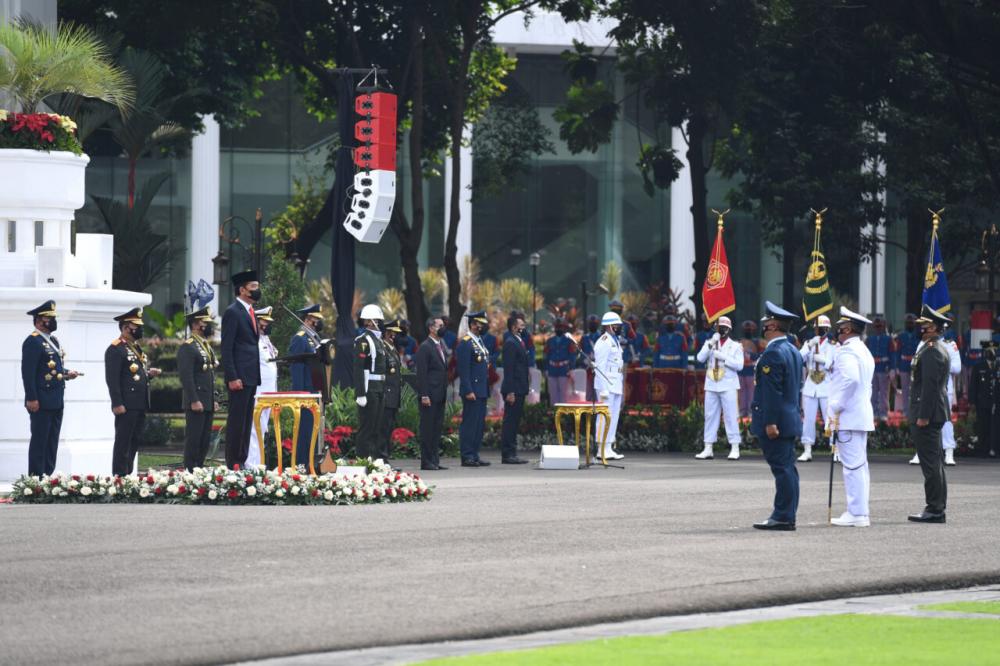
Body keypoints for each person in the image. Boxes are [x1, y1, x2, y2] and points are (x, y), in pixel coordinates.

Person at [750, 301, 803, 531]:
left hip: (777, 422)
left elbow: (772, 392)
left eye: (765, 323)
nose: (763, 327)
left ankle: (782, 516)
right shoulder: (792, 350)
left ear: (772, 325)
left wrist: (770, 422)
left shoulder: (773, 353)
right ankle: (786, 514)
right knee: (788, 469)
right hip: (789, 418)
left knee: (782, 470)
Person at [827, 307, 875, 527]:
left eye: (840, 328)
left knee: (852, 467)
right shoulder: (863, 350)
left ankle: (856, 513)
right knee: (859, 466)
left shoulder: (847, 351)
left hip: (848, 415)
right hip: (859, 414)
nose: (837, 332)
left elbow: (852, 380)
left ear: (847, 329)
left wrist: (836, 405)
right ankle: (860, 511)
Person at [22, 300, 79, 476]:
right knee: (40, 440)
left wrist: (68, 373)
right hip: (41, 400)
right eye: (50, 318)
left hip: (56, 398)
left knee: (52, 441)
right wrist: (31, 398)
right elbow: (28, 373)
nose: (53, 321)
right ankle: (35, 478)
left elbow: (54, 369)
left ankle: (47, 476)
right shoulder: (33, 341)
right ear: (39, 321)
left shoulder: (52, 340)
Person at [907, 304, 952, 524]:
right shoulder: (932, 347)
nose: (921, 330)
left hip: (928, 413)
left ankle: (935, 509)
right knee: (934, 462)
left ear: (934, 327)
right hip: (933, 412)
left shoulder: (933, 350)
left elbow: (930, 388)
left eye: (924, 326)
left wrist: (923, 415)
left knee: (931, 463)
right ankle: (937, 506)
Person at [105, 307, 161, 476]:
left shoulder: (135, 347)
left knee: (134, 441)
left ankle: (128, 474)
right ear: (125, 328)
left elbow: (135, 373)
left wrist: (148, 374)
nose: (140, 329)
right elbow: (112, 379)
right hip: (126, 403)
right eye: (136, 326)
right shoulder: (116, 349)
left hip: (139, 402)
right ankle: (119, 476)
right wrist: (117, 403)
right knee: (123, 441)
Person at [221, 270, 262, 469]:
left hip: (251, 376)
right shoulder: (233, 312)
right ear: (242, 290)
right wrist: (232, 376)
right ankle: (233, 463)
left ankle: (243, 460)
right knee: (237, 422)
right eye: (253, 287)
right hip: (239, 377)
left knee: (247, 422)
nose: (257, 290)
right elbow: (227, 348)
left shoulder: (251, 312)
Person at [909, 327, 961, 467]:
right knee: (924, 422)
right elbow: (913, 364)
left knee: (945, 421)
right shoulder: (923, 344)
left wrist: (938, 364)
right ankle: (920, 452)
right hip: (923, 390)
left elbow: (957, 367)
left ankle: (949, 451)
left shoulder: (950, 344)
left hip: (943, 389)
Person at [693, 315, 743, 460]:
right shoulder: (710, 342)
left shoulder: (735, 346)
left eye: (723, 328)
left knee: (731, 416)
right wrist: (711, 344)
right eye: (718, 327)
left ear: (728, 329)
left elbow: (739, 365)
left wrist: (722, 357)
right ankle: (708, 447)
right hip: (712, 383)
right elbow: (700, 358)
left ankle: (735, 447)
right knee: (710, 416)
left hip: (728, 384)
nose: (720, 330)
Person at [177, 306, 218, 471]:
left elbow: (209, 376)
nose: (208, 326)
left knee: (204, 439)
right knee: (194, 439)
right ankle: (190, 471)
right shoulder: (188, 346)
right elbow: (186, 377)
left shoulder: (205, 346)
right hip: (196, 401)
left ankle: (199, 470)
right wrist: (194, 399)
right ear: (195, 325)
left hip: (207, 400)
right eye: (204, 322)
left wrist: (214, 399)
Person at [289, 304, 324, 467]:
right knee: (305, 428)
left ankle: (312, 461)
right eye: (316, 319)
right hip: (305, 391)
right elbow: (296, 366)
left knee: (313, 429)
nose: (318, 322)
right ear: (308, 320)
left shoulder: (314, 337)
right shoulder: (300, 337)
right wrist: (300, 392)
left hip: (315, 389)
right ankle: (302, 463)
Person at [457, 310, 492, 467]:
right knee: (470, 423)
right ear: (472, 324)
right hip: (472, 390)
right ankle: (467, 455)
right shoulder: (466, 342)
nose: (482, 326)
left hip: (481, 389)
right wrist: (468, 389)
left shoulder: (479, 341)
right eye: (480, 323)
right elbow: (464, 370)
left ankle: (475, 453)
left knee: (478, 424)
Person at [798, 315, 835, 462]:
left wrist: (824, 361)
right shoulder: (809, 343)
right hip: (811, 386)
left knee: (829, 419)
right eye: (816, 328)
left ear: (826, 329)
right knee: (808, 419)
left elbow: (834, 365)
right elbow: (799, 358)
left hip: (826, 386)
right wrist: (809, 346)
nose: (818, 330)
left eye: (821, 328)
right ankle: (807, 450)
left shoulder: (833, 345)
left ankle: (835, 449)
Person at [353, 304, 388, 460]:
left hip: (379, 387)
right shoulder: (363, 341)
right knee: (367, 427)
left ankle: (374, 459)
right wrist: (360, 393)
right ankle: (362, 460)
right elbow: (359, 369)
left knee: (377, 427)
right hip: (369, 388)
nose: (378, 323)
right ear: (368, 321)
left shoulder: (379, 340)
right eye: (376, 320)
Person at [246, 306, 278, 468]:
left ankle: (259, 462)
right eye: (265, 322)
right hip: (258, 391)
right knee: (253, 427)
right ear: (257, 323)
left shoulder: (265, 339)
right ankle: (251, 464)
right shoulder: (253, 341)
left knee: (263, 428)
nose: (267, 325)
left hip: (269, 391)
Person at [416, 316, 449, 470]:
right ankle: (426, 461)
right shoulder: (425, 347)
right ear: (431, 328)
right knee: (428, 429)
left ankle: (435, 460)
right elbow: (422, 373)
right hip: (429, 395)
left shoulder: (440, 345)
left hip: (439, 394)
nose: (443, 328)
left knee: (436, 429)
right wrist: (424, 394)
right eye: (439, 325)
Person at [592, 311, 626, 461]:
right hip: (606, 385)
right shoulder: (604, 341)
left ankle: (608, 447)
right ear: (610, 326)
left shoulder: (614, 340)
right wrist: (603, 389)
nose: (619, 328)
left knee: (613, 416)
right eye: (617, 325)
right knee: (604, 416)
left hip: (615, 382)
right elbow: (599, 367)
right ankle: (600, 448)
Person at [499, 314, 531, 464]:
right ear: (514, 327)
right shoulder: (511, 343)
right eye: (521, 326)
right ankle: (508, 454)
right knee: (510, 422)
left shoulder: (519, 341)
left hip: (520, 387)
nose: (524, 328)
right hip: (514, 389)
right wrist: (510, 391)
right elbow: (509, 369)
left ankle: (512, 452)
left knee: (514, 422)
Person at [380, 319, 404, 462]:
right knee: (383, 429)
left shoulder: (391, 348)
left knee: (389, 428)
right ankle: (383, 458)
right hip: (387, 394)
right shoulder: (383, 348)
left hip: (393, 395)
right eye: (391, 332)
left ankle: (386, 456)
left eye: (395, 333)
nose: (393, 335)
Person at [967, 341, 997, 458]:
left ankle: (993, 448)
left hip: (995, 402)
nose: (991, 353)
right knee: (982, 426)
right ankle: (983, 449)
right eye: (989, 351)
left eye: (993, 350)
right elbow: (973, 386)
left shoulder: (997, 366)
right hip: (982, 402)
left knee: (994, 426)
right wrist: (972, 402)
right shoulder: (978, 367)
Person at [866, 315, 892, 423]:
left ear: (883, 326)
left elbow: (892, 354)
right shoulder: (869, 339)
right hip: (872, 368)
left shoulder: (888, 339)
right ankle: (874, 412)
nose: (878, 328)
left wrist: (891, 368)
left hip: (883, 367)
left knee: (884, 393)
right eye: (876, 326)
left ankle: (883, 413)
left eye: (880, 326)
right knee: (873, 392)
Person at [544, 318, 576, 404]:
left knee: (563, 395)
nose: (559, 329)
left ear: (564, 328)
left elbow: (572, 355)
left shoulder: (569, 341)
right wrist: (546, 369)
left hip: (563, 369)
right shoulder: (550, 341)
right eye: (557, 327)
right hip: (552, 369)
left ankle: (563, 415)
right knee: (553, 395)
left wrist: (572, 368)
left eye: (561, 327)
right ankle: (554, 414)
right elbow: (546, 355)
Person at [894, 313, 920, 418]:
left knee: (915, 389)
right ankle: (905, 410)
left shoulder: (919, 335)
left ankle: (914, 410)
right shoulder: (901, 336)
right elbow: (898, 352)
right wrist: (897, 367)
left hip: (915, 365)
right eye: (908, 323)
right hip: (904, 365)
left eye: (912, 323)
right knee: (905, 389)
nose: (910, 324)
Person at [739, 320, 761, 417]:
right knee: (742, 392)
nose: (748, 331)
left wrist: (751, 356)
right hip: (741, 369)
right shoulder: (739, 341)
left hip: (751, 370)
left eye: (750, 330)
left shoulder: (757, 342)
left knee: (751, 392)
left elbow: (760, 355)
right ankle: (742, 411)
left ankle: (750, 411)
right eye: (747, 330)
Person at [579, 314, 602, 401]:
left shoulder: (602, 337)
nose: (592, 325)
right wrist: (584, 359)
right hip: (587, 367)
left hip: (599, 367)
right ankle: (588, 411)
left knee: (598, 391)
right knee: (588, 391)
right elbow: (580, 351)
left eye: (594, 324)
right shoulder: (584, 338)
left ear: (598, 324)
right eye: (591, 324)